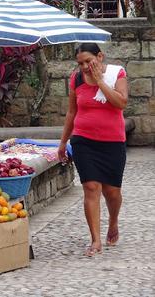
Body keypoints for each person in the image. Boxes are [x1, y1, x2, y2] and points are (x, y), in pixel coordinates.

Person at [58, 43, 128, 257]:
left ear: (100, 56)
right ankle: (95, 240)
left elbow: (121, 103)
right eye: (80, 63)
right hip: (83, 141)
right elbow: (71, 112)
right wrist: (63, 143)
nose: (85, 67)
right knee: (90, 187)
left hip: (112, 142)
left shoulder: (117, 73)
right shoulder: (76, 79)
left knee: (112, 192)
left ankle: (113, 221)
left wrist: (100, 82)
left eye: (89, 61)